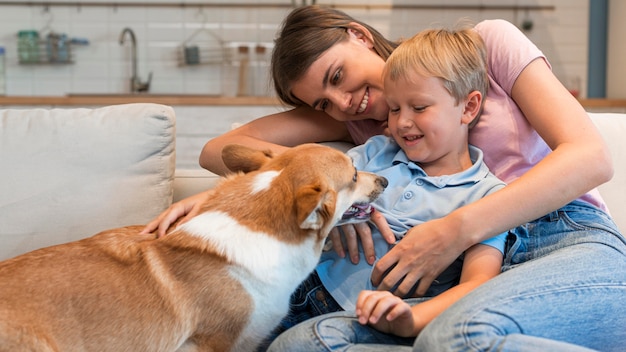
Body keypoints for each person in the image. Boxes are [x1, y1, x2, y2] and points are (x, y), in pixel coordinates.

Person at [143, 5, 626, 351]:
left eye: (337, 77)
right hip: (459, 277)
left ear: (359, 35)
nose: (343, 102)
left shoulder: (485, 46)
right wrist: (322, 197)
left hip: (562, 233)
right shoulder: (373, 126)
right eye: (323, 104)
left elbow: (590, 158)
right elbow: (218, 149)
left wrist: (455, 229)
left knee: (452, 336)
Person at [268, 25, 508, 350]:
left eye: (419, 108)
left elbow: (479, 283)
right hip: (296, 284)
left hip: (366, 320)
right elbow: (308, 186)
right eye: (394, 109)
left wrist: (412, 319)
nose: (402, 122)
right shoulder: (375, 152)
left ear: (468, 107)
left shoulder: (487, 196)